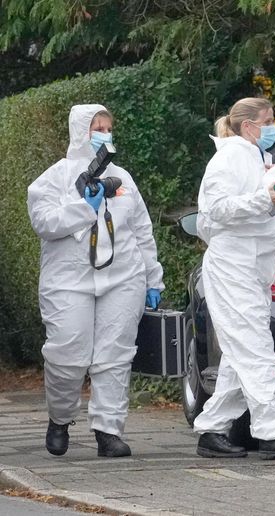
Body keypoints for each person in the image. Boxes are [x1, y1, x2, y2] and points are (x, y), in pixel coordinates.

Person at [27, 104, 164, 458]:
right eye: (96, 127)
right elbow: (45, 223)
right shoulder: (52, 179)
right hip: (68, 280)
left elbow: (141, 232)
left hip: (123, 277)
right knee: (66, 354)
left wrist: (153, 278)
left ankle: (108, 430)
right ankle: (60, 418)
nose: (103, 134)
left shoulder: (124, 179)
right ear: (79, 131)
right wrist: (84, 207)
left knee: (114, 356)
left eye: (107, 127)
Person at [192, 97, 275, 460]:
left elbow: (268, 208)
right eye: (268, 120)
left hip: (255, 265)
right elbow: (216, 210)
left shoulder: (259, 160)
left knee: (239, 352)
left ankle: (212, 430)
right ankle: (272, 431)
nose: (273, 127)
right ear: (248, 126)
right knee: (256, 348)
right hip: (233, 264)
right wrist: (266, 199)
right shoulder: (228, 158)